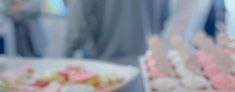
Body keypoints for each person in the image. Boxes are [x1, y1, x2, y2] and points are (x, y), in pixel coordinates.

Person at [65, 0, 213, 60]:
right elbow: (164, 20)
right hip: (146, 67)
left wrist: (61, 62)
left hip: (105, 70)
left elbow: (76, 30)